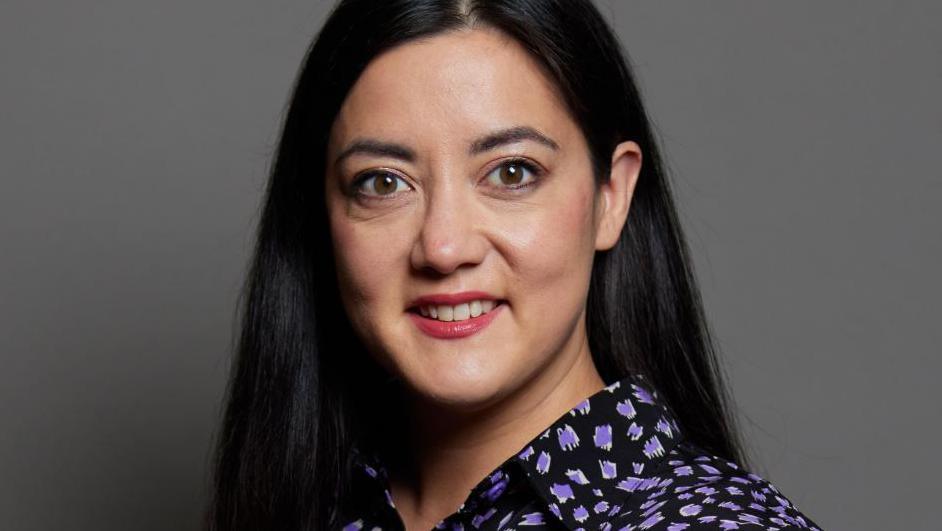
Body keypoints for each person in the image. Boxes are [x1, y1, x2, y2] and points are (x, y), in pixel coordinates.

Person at [207, 1, 822, 530]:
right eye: (383, 182)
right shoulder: (314, 505)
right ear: (322, 215)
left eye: (511, 172)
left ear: (612, 197)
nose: (444, 248)